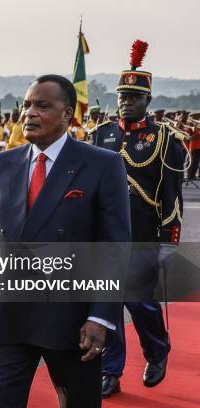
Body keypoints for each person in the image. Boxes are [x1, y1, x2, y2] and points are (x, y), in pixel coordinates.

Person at [0, 74, 131, 407]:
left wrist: (101, 316)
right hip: (8, 314)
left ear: (68, 114)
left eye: (42, 105)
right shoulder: (1, 163)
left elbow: (114, 247)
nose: (29, 114)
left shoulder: (101, 164)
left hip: (70, 320)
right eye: (26, 105)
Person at [91, 41, 183, 397]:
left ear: (147, 99)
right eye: (121, 96)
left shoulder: (164, 139)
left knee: (139, 302)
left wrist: (168, 242)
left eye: (133, 97)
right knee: (107, 303)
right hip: (103, 237)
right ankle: (110, 370)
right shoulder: (102, 135)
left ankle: (157, 350)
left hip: (143, 233)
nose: (125, 102)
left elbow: (171, 197)